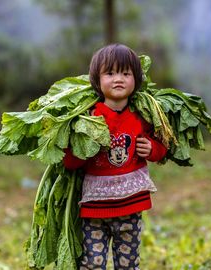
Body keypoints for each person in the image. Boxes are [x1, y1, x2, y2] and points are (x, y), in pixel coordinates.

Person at [63, 44, 167, 270]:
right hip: (94, 210)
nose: (118, 79)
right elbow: (70, 162)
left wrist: (152, 148)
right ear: (97, 80)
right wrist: (85, 147)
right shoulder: (89, 118)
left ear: (136, 80)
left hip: (131, 208)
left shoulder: (142, 116)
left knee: (128, 265)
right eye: (110, 73)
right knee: (92, 264)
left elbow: (162, 148)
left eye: (126, 73)